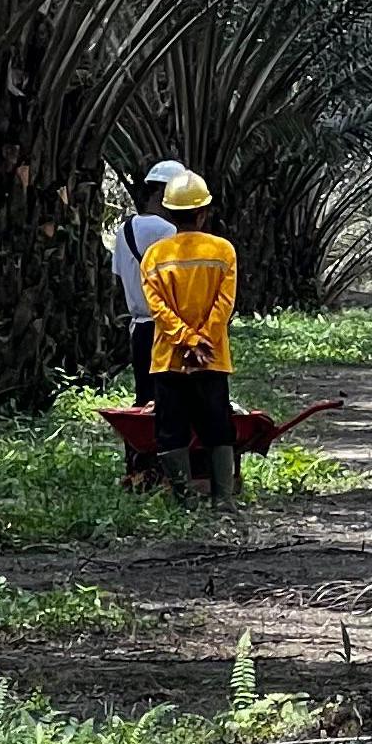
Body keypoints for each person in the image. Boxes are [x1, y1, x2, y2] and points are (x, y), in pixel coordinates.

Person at [139, 169, 239, 502]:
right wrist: (202, 341)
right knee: (218, 429)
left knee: (171, 432)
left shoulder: (154, 256)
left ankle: (182, 499)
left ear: (168, 213)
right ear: (203, 212)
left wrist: (185, 340)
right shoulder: (223, 251)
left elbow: (158, 310)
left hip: (169, 360)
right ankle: (223, 499)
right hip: (212, 360)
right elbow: (223, 306)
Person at [109, 161, 185, 481]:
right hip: (165, 327)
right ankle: (170, 470)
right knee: (171, 400)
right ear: (162, 193)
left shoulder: (123, 231)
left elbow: (116, 282)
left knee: (143, 399)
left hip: (139, 327)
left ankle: (139, 466)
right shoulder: (168, 232)